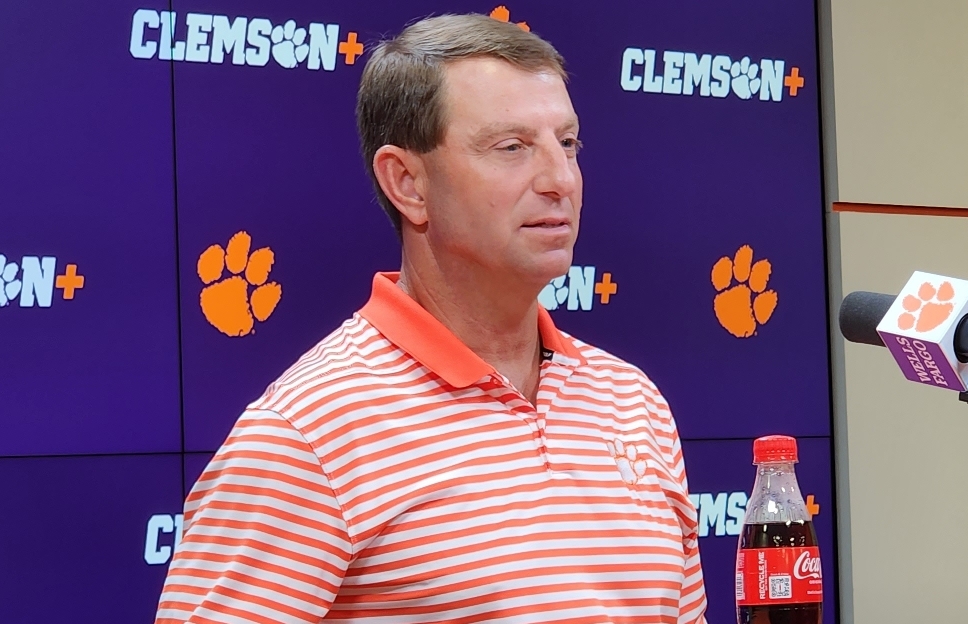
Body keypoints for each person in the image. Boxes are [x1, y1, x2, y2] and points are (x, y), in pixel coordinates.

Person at [156, 13, 707, 623]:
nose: (561, 179)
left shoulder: (634, 402)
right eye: (512, 148)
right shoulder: (310, 430)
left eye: (568, 143)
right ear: (408, 183)